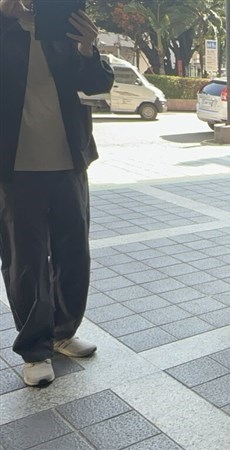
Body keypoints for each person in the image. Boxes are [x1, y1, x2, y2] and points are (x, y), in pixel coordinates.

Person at [0, 0, 114, 386]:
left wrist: (87, 47)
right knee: (26, 261)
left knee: (74, 254)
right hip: (15, 169)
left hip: (69, 163)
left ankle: (63, 332)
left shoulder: (62, 29)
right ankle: (35, 349)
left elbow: (97, 84)